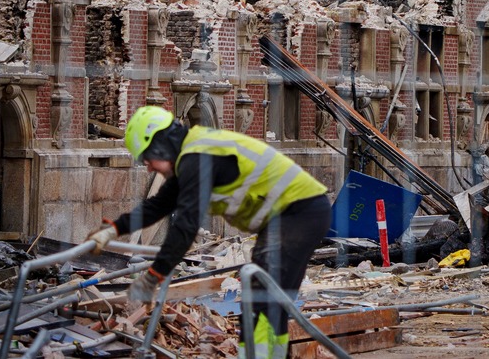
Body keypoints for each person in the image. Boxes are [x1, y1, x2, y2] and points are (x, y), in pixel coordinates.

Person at [87, 105, 332, 359]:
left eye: (146, 159)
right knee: (266, 303)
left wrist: (152, 277)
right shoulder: (192, 155)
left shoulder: (199, 157)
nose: (148, 168)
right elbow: (158, 205)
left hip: (298, 214)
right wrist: (113, 230)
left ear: (160, 144)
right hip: (296, 215)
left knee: (263, 302)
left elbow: (185, 227)